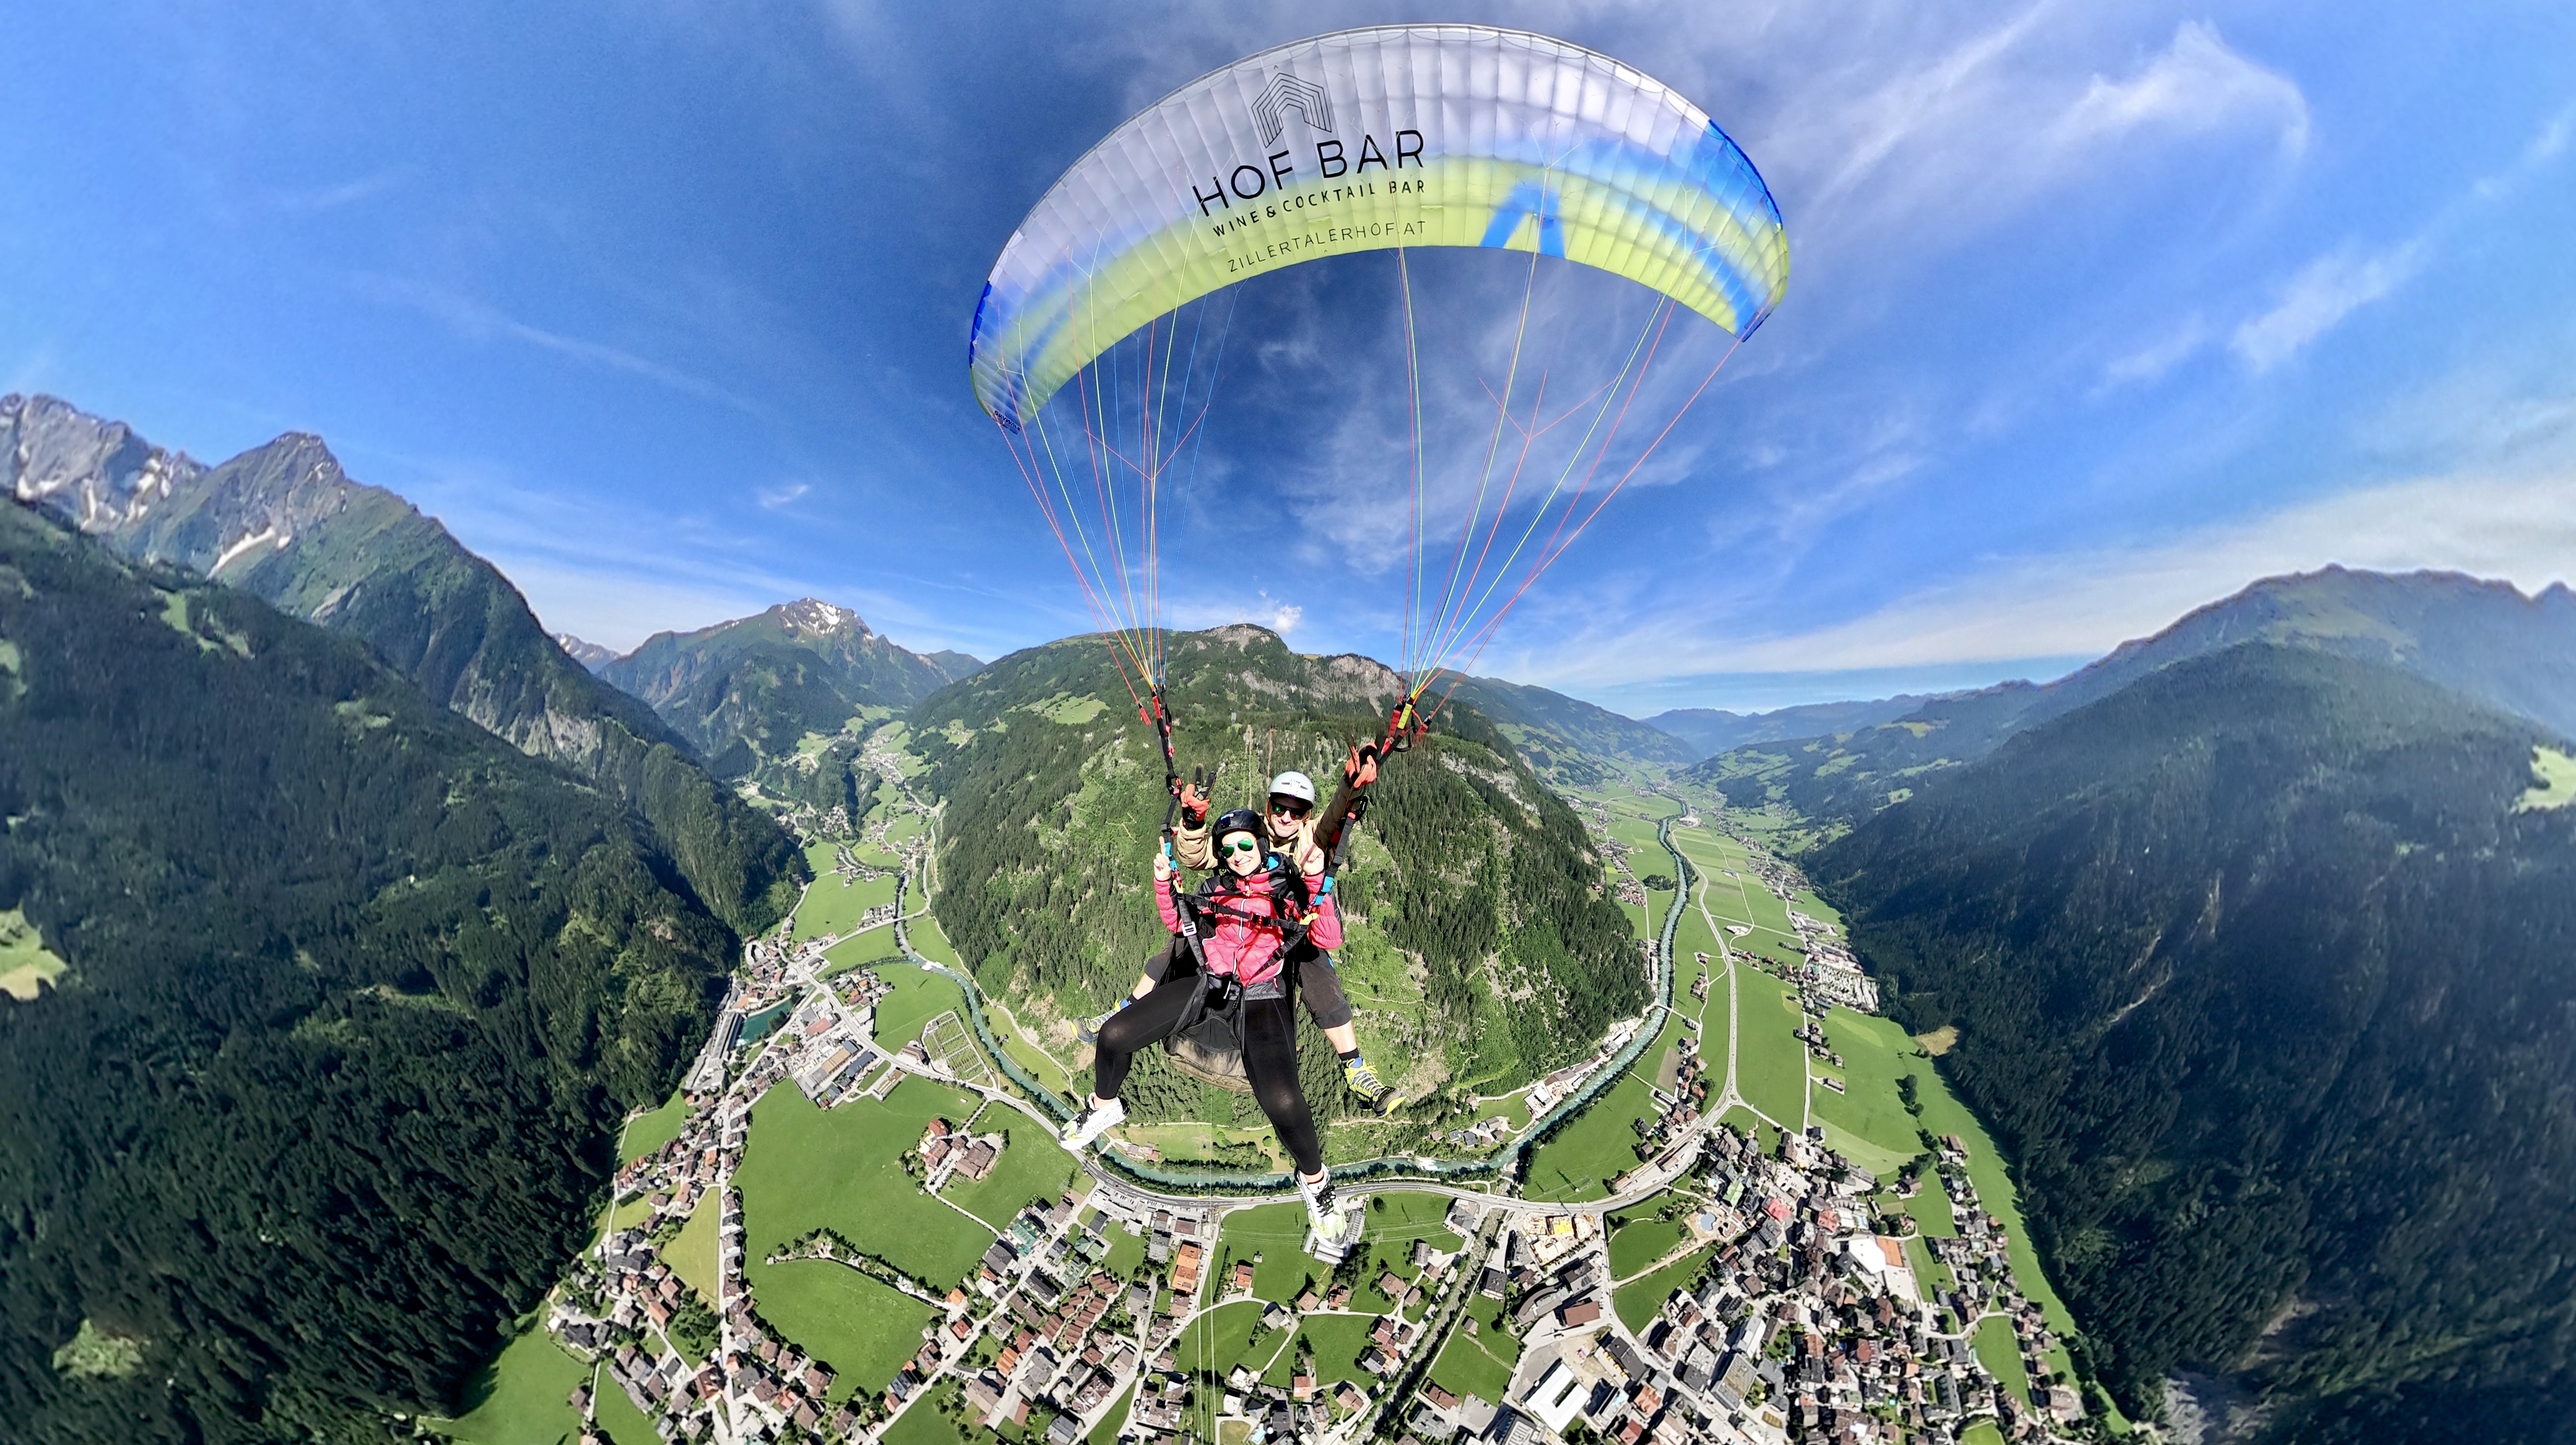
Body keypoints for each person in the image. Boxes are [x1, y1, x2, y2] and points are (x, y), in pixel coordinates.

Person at [1061, 809, 1353, 1245]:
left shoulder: (1287, 888)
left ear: (1262, 844)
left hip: (1262, 992)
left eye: (1245, 845)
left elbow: (1327, 938)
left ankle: (1315, 1182)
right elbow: (1181, 924)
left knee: (1282, 1096)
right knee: (1114, 1035)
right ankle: (1103, 1105)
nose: (1237, 856)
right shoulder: (1214, 888)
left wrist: (1314, 881)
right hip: (1207, 980)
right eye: (1228, 849)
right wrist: (1165, 883)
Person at [1154, 753, 1398, 1111]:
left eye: (1296, 812)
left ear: (1306, 817)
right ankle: (1130, 1010)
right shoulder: (1248, 837)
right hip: (1243, 926)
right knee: (1185, 937)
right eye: (1280, 808)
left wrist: (1349, 788)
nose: (1286, 817)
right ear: (1268, 807)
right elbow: (1198, 857)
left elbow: (1332, 822)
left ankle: (1355, 1067)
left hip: (1290, 929)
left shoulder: (1309, 841)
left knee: (1318, 968)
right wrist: (1193, 822)